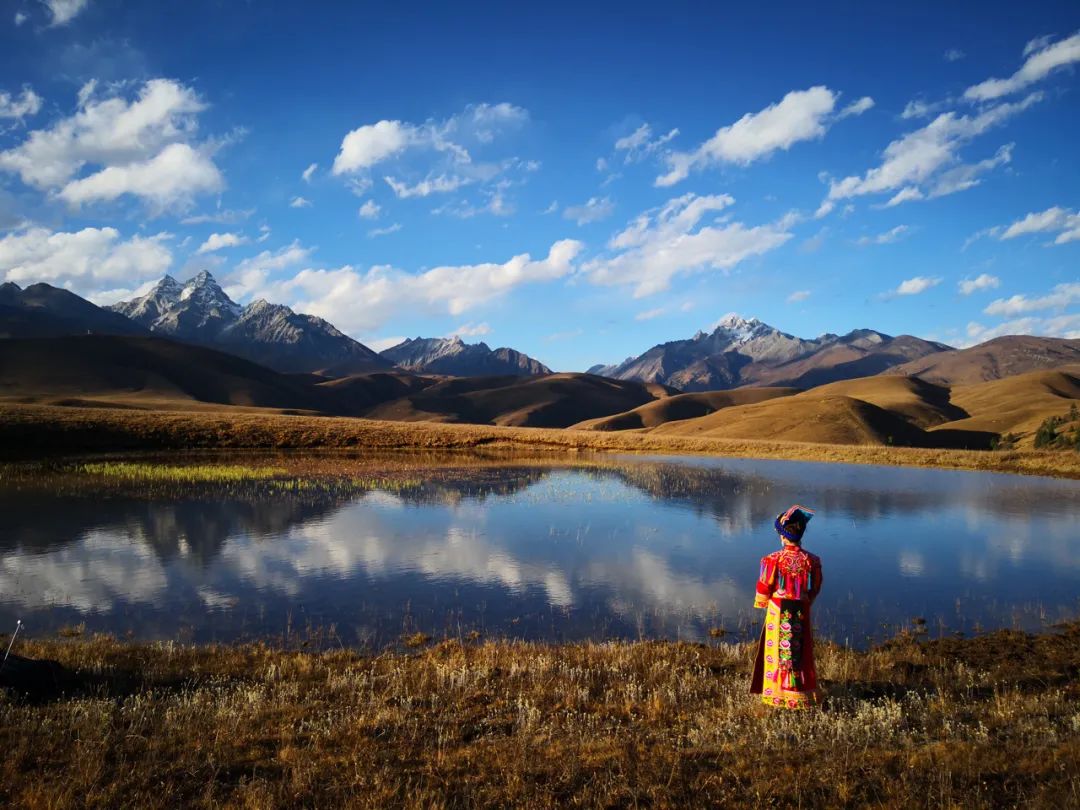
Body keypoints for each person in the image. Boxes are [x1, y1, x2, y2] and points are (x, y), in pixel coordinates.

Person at [749, 505, 822, 709]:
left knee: (779, 653)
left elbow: (764, 588)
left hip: (778, 610)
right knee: (800, 652)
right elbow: (815, 587)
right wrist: (805, 600)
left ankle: (777, 695)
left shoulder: (772, 560)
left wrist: (762, 602)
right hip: (801, 611)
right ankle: (802, 694)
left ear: (782, 537)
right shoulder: (812, 561)